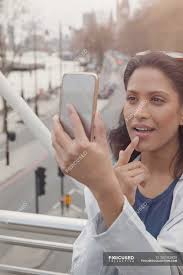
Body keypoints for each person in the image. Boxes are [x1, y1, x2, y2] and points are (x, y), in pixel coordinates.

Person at [51, 51, 183, 275]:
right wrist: (108, 195)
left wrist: (108, 195)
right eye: (132, 99)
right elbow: (85, 271)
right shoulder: (109, 178)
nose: (138, 113)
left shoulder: (106, 184)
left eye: (156, 100)